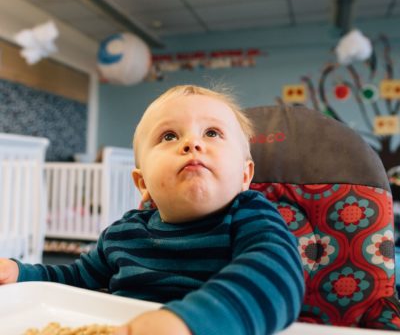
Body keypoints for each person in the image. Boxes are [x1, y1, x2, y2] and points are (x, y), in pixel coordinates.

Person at [0, 85, 305, 335]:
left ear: (244, 175)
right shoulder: (124, 233)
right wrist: (21, 272)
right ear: (143, 182)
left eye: (212, 133)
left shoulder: (250, 216)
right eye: (169, 136)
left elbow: (276, 276)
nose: (192, 143)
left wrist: (187, 323)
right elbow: (76, 277)